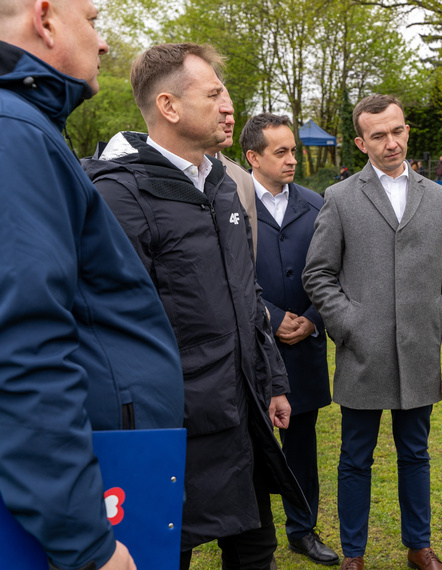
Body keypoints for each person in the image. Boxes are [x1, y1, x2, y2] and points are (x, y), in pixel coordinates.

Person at [81, 43, 310, 570]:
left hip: (242, 418)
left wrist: (272, 380)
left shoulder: (224, 185)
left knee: (256, 555)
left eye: (226, 93)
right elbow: (112, 333)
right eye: (214, 94)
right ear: (169, 106)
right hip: (172, 433)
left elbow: (246, 293)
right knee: (164, 556)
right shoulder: (119, 196)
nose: (229, 106)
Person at [0, 1, 184, 569]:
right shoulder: (16, 134)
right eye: (95, 20)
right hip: (87, 511)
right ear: (46, 18)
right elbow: (23, 348)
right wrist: (87, 542)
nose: (103, 43)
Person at [303, 94, 442, 570]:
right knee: (356, 457)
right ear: (361, 142)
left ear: (407, 131)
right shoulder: (340, 198)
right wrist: (348, 324)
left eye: (397, 131)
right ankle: (354, 553)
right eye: (378, 135)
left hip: (420, 352)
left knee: (415, 453)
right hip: (363, 354)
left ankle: (419, 545)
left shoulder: (438, 199)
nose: (391, 142)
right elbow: (317, 274)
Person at [240, 113, 339, 566]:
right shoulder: (230, 205)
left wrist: (314, 319)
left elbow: (340, 272)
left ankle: (303, 529)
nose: (292, 159)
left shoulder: (318, 205)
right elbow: (231, 275)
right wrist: (273, 317)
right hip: (251, 348)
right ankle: (252, 537)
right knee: (251, 447)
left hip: (306, 349)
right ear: (252, 157)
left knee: (302, 445)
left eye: (293, 150)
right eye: (280, 151)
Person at [206, 89, 259, 259]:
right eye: (222, 112)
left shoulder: (243, 178)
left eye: (231, 112)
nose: (231, 120)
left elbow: (250, 253)